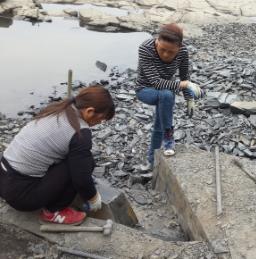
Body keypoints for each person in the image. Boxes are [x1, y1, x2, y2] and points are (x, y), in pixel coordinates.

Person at [0, 86, 115, 225]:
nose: (99, 124)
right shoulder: (80, 133)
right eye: (101, 119)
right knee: (87, 162)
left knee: (76, 159)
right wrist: (93, 197)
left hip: (4, 178)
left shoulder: (59, 108)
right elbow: (81, 179)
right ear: (90, 111)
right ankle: (53, 211)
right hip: (22, 197)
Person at [136, 23, 204, 169]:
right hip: (145, 89)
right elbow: (156, 82)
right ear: (157, 41)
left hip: (167, 91)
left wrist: (189, 98)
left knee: (159, 122)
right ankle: (169, 136)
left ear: (179, 48)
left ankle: (152, 161)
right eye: (162, 50)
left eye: (171, 52)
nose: (166, 54)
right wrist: (185, 85)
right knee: (166, 94)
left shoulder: (183, 51)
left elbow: (184, 76)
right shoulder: (145, 48)